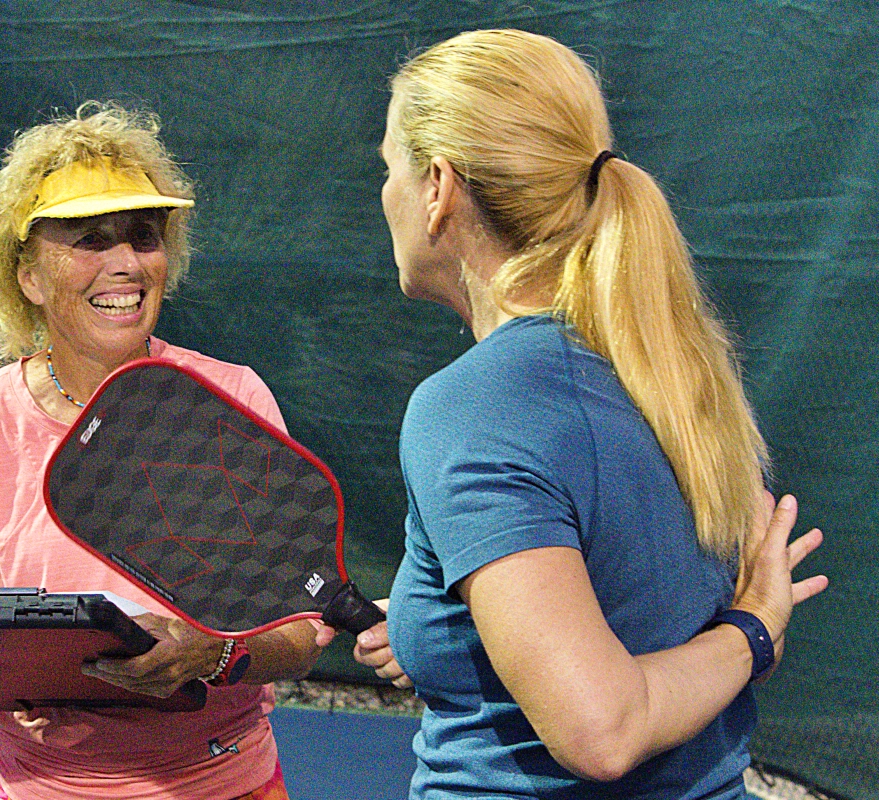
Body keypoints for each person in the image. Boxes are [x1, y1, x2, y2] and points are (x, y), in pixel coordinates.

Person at [318, 29, 829, 799]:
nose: (383, 194)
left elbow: (604, 730)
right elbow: (678, 627)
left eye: (389, 168)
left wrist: (753, 625)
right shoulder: (676, 362)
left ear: (438, 189)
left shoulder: (470, 407)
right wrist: (444, 621)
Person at [0, 101, 320, 800]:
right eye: (90, 240)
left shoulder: (236, 398)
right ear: (27, 276)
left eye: (143, 237)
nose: (126, 264)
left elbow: (298, 636)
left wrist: (212, 654)